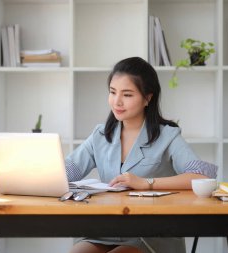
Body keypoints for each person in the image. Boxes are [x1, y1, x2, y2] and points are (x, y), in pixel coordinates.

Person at [65, 57, 217, 253]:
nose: (117, 101)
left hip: (151, 233)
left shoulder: (168, 135)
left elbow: (202, 176)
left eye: (127, 94)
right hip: (104, 230)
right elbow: (68, 171)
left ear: (148, 98)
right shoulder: (100, 135)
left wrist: (147, 183)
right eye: (112, 92)